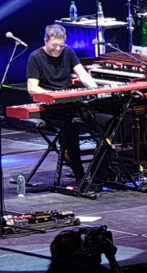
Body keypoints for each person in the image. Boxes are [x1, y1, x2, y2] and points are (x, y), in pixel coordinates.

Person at [27, 24, 101, 184]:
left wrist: (95, 89)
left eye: (61, 45)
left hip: (70, 104)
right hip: (50, 108)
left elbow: (82, 74)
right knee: (71, 128)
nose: (58, 49)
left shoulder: (67, 52)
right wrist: (53, 95)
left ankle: (101, 173)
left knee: (101, 127)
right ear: (45, 40)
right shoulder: (36, 57)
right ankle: (80, 176)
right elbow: (32, 88)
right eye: (54, 45)